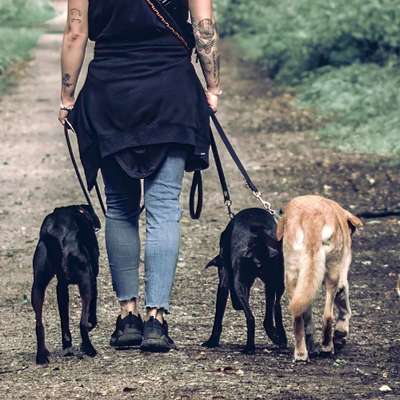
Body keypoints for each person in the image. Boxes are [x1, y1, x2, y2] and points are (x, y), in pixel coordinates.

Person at [58, 0, 221, 352]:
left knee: (119, 207)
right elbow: (204, 28)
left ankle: (127, 315)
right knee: (164, 206)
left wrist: (67, 97)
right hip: (171, 91)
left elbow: (75, 32)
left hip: (111, 93)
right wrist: (212, 87)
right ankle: (156, 320)